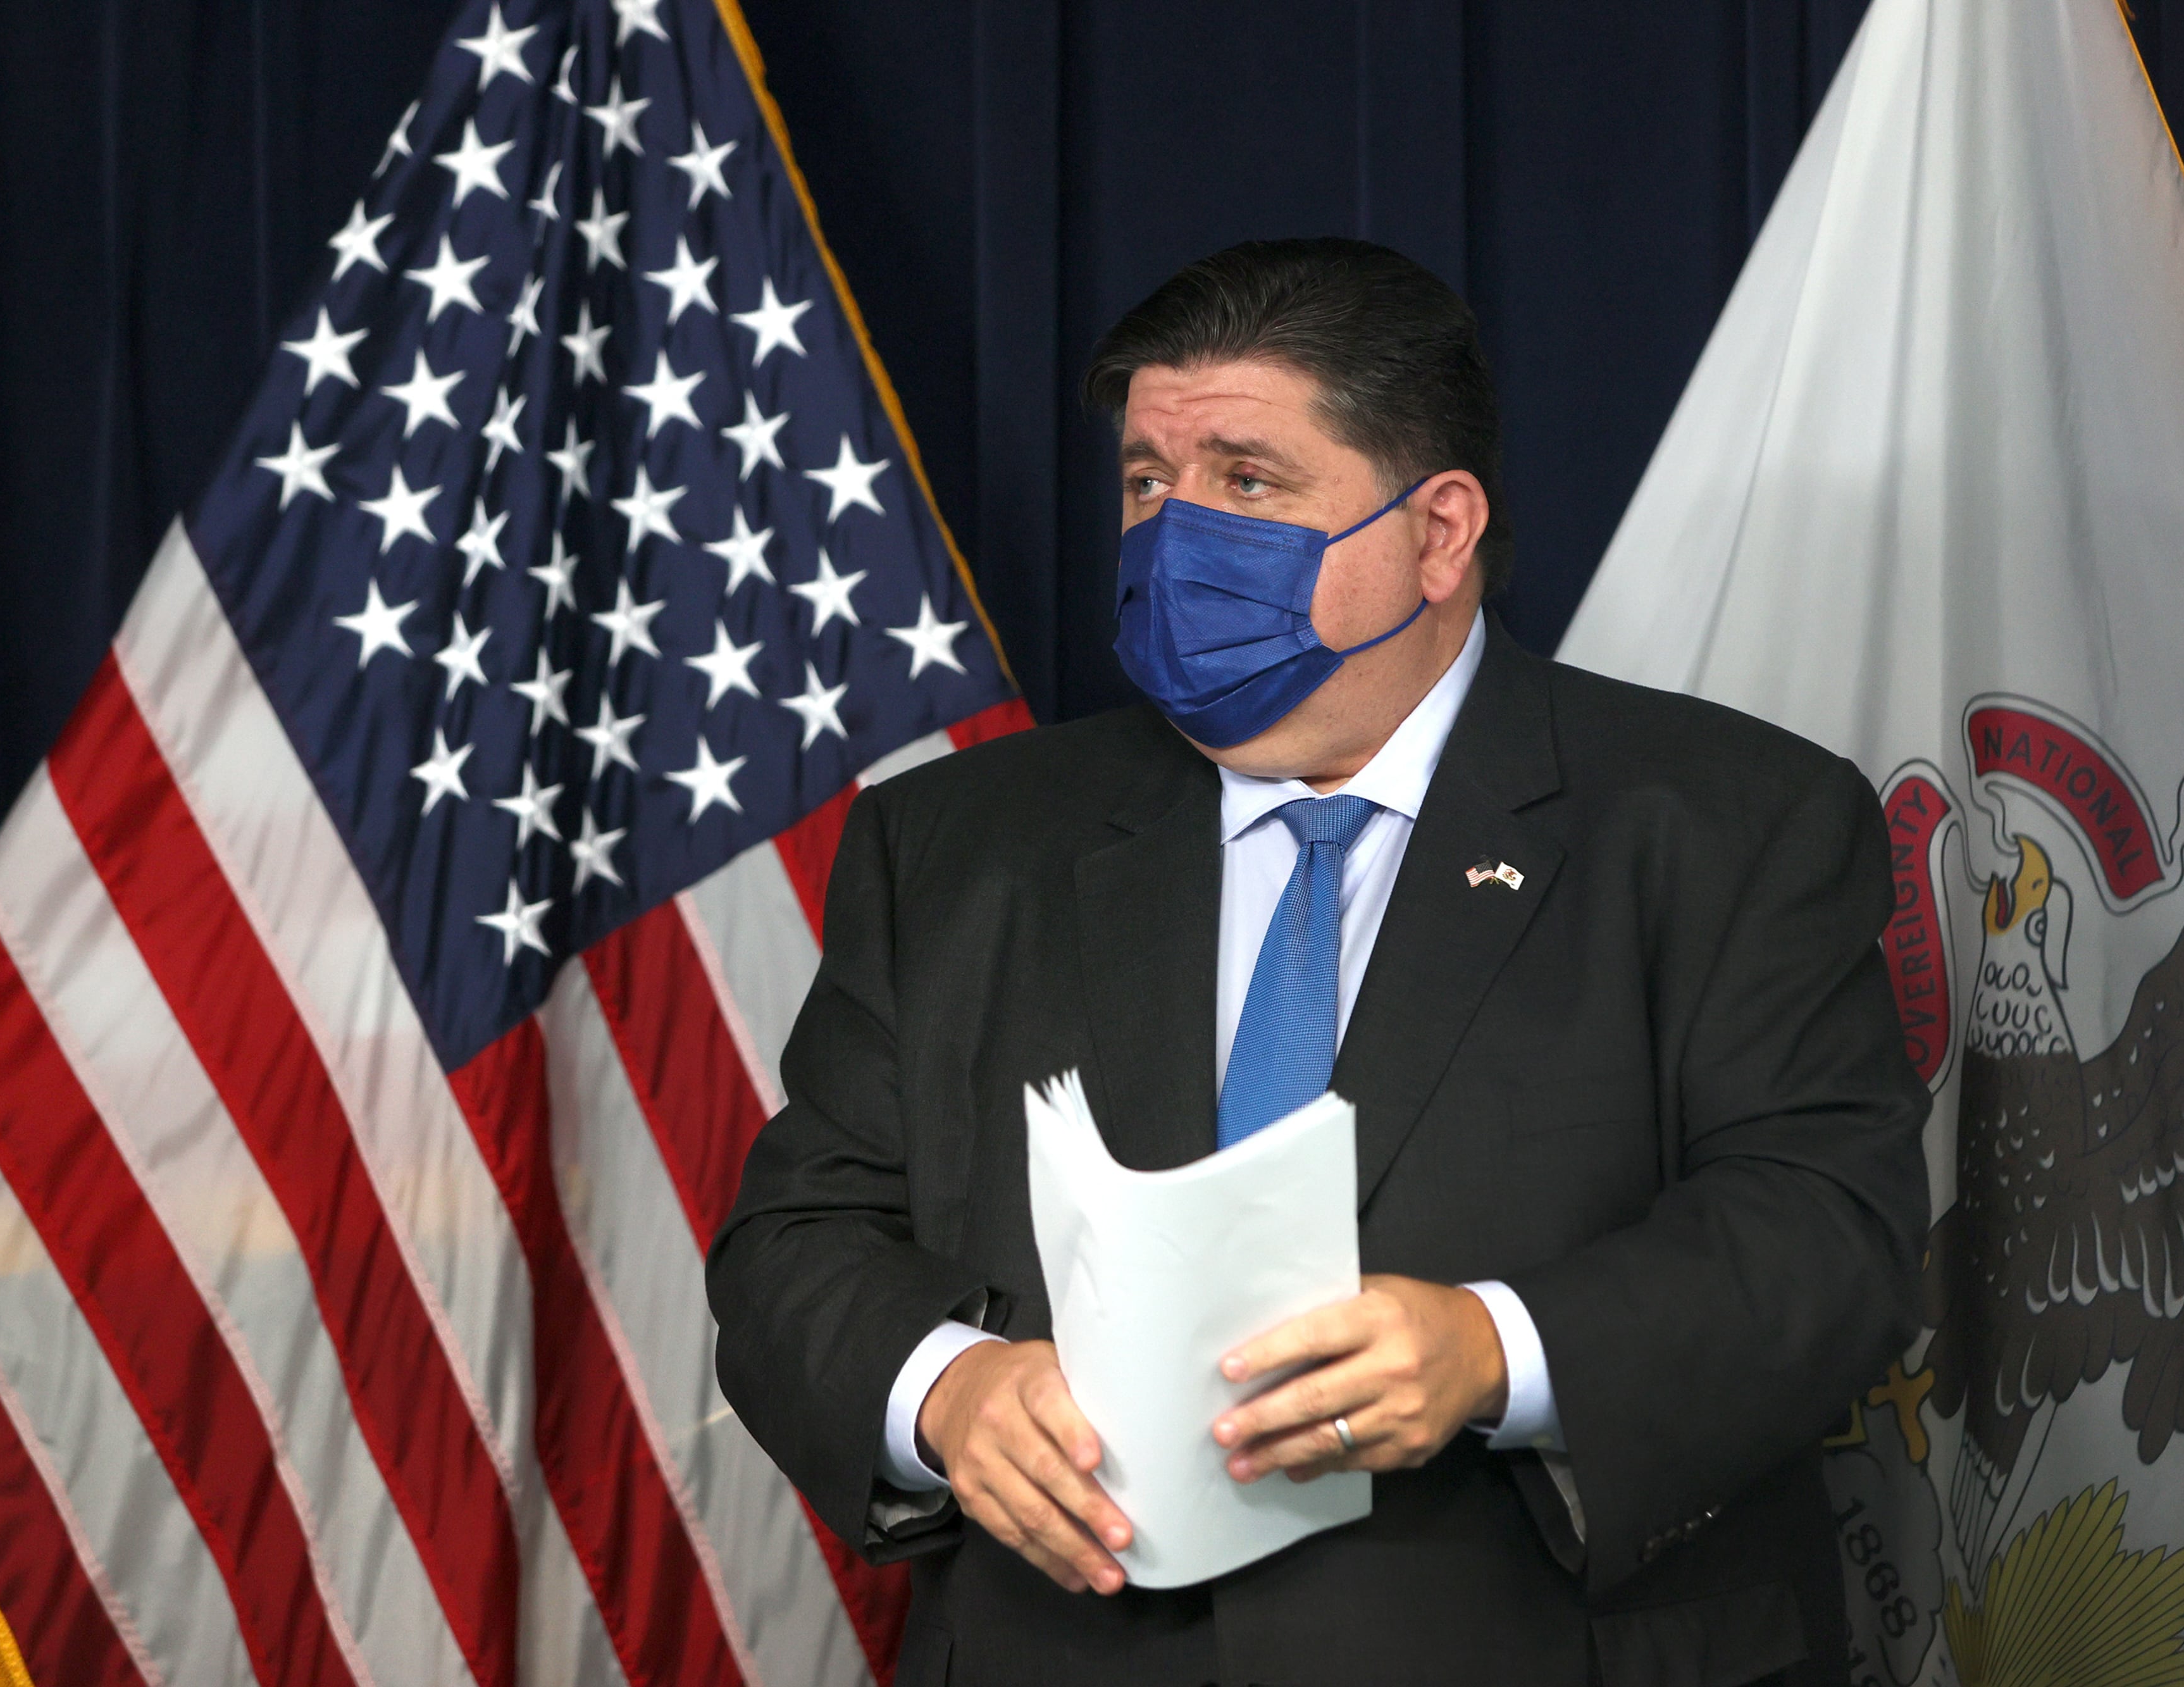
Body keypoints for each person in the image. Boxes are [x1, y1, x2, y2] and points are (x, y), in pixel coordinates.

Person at [707, 238, 1930, 1687]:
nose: (1174, 537)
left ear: (1439, 532)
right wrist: (947, 1389)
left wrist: (1492, 1349)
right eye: (1148, 482)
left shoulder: (1726, 823)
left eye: (1248, 481)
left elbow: (1827, 1238)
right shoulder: (956, 846)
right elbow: (792, 1246)